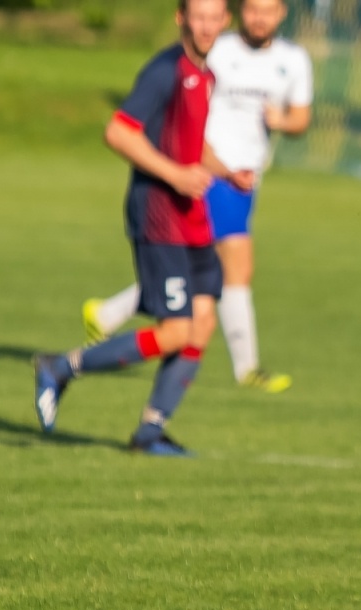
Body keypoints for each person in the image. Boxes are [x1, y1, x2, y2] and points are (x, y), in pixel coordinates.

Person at [81, 0, 313, 393]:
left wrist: (282, 121)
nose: (259, 17)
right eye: (253, 9)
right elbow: (175, 107)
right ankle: (247, 368)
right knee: (235, 266)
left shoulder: (293, 59)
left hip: (242, 176)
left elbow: (301, 118)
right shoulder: (214, 49)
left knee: (201, 272)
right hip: (202, 175)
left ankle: (108, 313)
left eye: (268, 10)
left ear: (282, 13)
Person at [33, 0, 230, 456]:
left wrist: (226, 170)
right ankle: (62, 366)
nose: (205, 26)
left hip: (191, 215)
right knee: (177, 331)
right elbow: (119, 132)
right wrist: (176, 175)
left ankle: (150, 432)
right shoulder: (165, 70)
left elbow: (187, 141)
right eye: (197, 16)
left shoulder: (206, 76)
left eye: (214, 17)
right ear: (181, 19)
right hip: (159, 215)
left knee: (201, 323)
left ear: (225, 22)